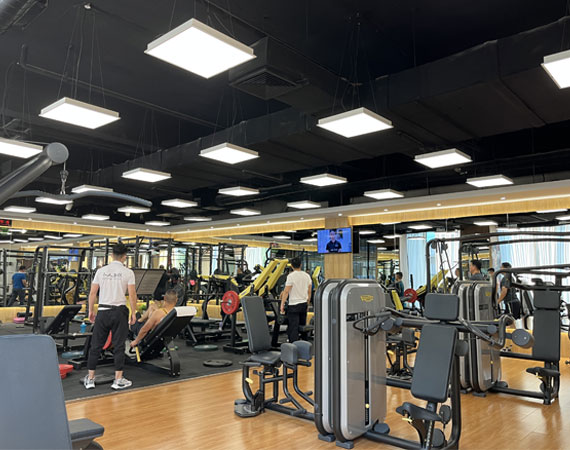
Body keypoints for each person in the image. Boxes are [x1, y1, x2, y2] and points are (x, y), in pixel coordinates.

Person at [85, 243, 137, 391]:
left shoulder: (101, 271)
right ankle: (118, 380)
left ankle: (90, 379)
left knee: (96, 345)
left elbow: (92, 293)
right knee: (119, 346)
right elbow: (132, 295)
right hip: (119, 312)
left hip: (103, 311)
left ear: (112, 255)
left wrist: (90, 311)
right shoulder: (128, 272)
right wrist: (134, 313)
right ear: (125, 257)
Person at [280, 257, 312, 343]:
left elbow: (286, 291)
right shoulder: (307, 276)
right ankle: (304, 345)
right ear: (301, 265)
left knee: (293, 327)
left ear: (291, 266)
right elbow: (309, 292)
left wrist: (282, 304)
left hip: (294, 305)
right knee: (302, 326)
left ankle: (294, 346)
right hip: (303, 304)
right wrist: (308, 304)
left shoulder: (291, 276)